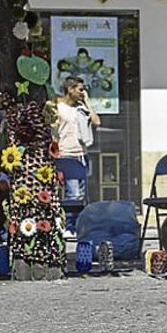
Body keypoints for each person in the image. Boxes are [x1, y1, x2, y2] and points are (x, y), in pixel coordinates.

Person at [56, 76, 100, 231]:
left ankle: (78, 226)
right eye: (80, 89)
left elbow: (96, 122)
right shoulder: (58, 107)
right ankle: (70, 227)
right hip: (66, 153)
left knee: (81, 194)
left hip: (82, 153)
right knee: (73, 193)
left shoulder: (81, 108)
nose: (83, 92)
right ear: (70, 89)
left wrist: (87, 101)